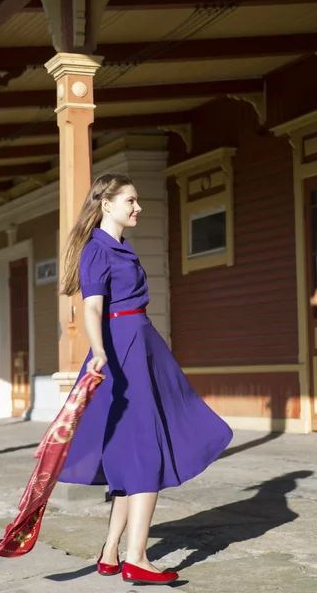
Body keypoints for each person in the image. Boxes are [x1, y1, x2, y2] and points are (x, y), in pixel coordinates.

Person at [57, 172, 233, 585]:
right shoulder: (97, 251)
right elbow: (93, 309)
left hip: (142, 346)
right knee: (145, 453)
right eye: (130, 201)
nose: (138, 207)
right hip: (122, 352)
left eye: (136, 201)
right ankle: (137, 558)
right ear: (107, 203)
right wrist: (100, 351)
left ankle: (111, 551)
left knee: (132, 452)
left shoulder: (120, 246)